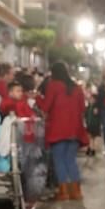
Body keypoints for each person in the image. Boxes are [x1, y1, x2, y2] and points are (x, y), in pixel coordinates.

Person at [35, 61, 86, 201]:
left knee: (59, 161)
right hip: (75, 129)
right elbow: (82, 108)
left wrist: (37, 98)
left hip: (58, 129)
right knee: (70, 160)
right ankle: (76, 192)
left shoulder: (54, 86)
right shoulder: (77, 88)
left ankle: (63, 192)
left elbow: (45, 107)